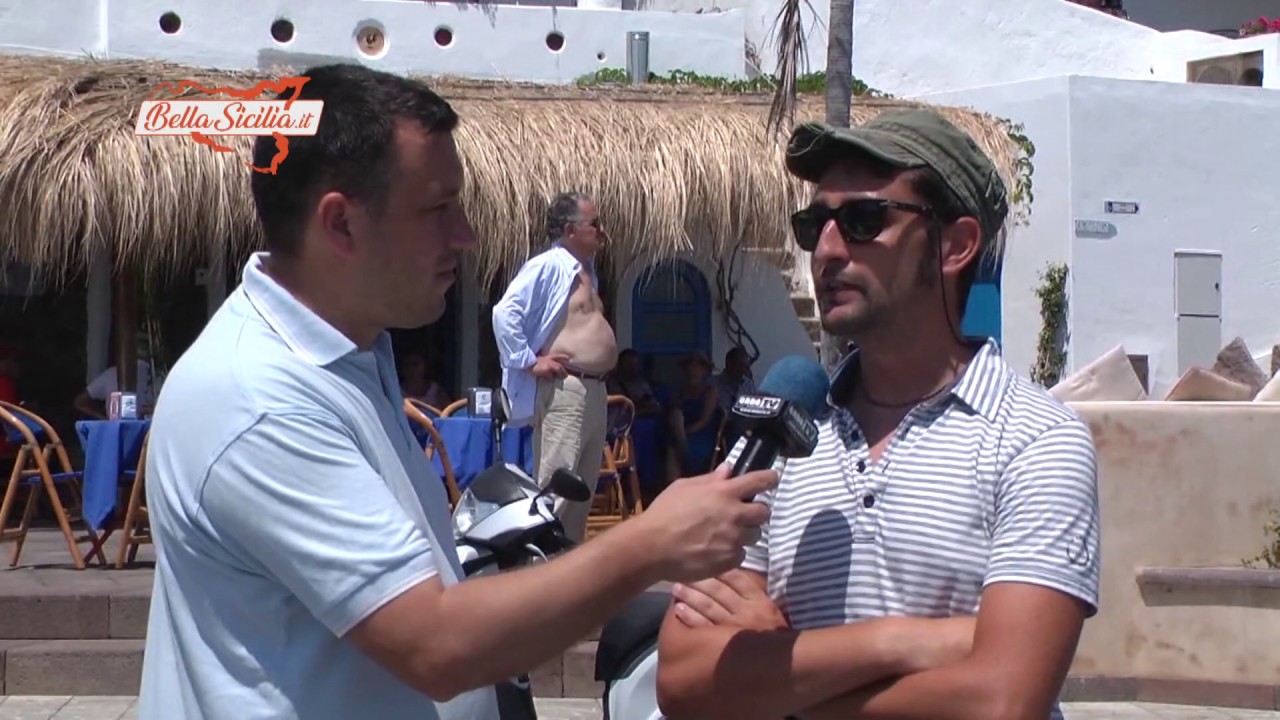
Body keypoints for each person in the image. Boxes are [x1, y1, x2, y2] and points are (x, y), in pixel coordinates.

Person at [138, 64, 778, 720]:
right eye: (438, 209)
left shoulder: (352, 352)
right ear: (341, 225)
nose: (465, 234)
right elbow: (434, 643)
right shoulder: (259, 398)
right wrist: (652, 544)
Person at [656, 110, 1101, 720]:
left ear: (957, 245)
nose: (828, 250)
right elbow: (683, 682)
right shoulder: (778, 436)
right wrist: (906, 642)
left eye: (865, 221)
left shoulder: (1035, 440)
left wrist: (781, 671)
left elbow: (1001, 702)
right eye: (815, 224)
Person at [492, 191, 617, 544]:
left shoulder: (586, 272)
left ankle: (567, 572)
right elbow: (505, 313)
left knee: (582, 491)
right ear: (569, 229)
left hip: (594, 388)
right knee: (557, 484)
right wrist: (530, 361)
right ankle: (537, 566)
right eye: (594, 224)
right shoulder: (548, 266)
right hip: (567, 388)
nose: (601, 231)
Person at [665, 352, 721, 479]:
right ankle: (673, 487)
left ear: (704, 371)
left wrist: (686, 432)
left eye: (696, 369)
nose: (693, 372)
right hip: (680, 430)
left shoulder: (710, 391)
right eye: (689, 369)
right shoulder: (679, 391)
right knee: (671, 443)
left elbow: (704, 420)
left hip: (701, 432)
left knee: (679, 446)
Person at [74, 334, 157, 418]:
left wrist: (103, 420)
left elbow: (80, 402)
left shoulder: (110, 374)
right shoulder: (159, 376)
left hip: (116, 428)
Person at [713, 346, 756, 446]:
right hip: (720, 428)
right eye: (740, 366)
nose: (744, 370)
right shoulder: (713, 384)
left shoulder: (748, 384)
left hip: (744, 428)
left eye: (746, 367)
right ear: (729, 363)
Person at [607, 348, 662, 415]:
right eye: (628, 364)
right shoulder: (611, 383)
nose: (632, 368)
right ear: (620, 364)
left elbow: (655, 406)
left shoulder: (641, 383)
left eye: (635, 364)